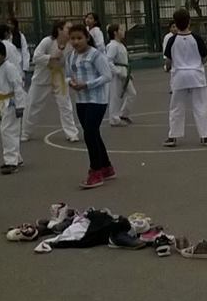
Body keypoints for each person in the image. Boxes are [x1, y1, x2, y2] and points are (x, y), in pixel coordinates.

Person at [66, 23, 114, 189]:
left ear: (87, 37)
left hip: (97, 99)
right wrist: (71, 83)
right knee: (92, 132)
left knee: (90, 133)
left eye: (79, 38)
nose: (76, 42)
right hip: (81, 100)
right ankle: (106, 166)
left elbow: (107, 75)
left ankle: (95, 171)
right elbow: (67, 75)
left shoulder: (96, 55)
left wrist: (87, 84)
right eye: (72, 38)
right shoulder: (71, 56)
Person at [22, 20, 80, 143]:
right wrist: (51, 57)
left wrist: (72, 76)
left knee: (65, 105)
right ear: (59, 30)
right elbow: (36, 57)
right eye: (68, 28)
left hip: (60, 78)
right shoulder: (47, 41)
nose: (71, 31)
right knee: (33, 105)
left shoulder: (71, 45)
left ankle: (72, 133)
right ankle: (26, 132)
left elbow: (72, 61)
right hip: (42, 78)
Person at [163, 9, 207, 147]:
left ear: (176, 24)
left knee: (176, 107)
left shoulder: (172, 40)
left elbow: (168, 60)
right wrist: (197, 64)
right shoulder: (196, 38)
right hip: (196, 75)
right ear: (189, 22)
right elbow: (205, 57)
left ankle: (173, 136)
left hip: (179, 76)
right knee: (201, 105)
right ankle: (204, 135)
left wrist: (168, 68)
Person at [0, 41, 26, 175]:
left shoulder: (10, 67)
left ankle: (10, 162)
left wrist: (20, 106)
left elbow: (18, 86)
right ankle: (16, 157)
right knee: (6, 131)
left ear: (3, 55)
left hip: (11, 102)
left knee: (8, 131)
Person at [106, 23, 136, 126]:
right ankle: (114, 119)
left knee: (132, 93)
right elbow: (108, 61)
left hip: (124, 71)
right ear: (115, 32)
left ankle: (123, 114)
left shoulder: (121, 45)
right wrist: (118, 72)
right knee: (116, 96)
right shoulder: (113, 46)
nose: (123, 31)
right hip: (117, 73)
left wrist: (128, 73)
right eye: (121, 29)